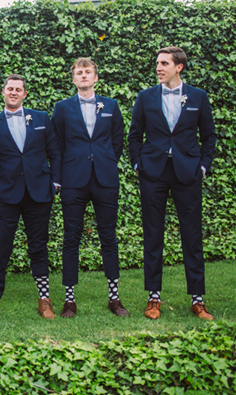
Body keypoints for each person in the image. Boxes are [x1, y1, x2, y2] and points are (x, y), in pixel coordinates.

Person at [128, 47, 217, 320]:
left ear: (179, 67)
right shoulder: (145, 97)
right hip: (153, 173)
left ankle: (198, 300)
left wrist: (202, 167)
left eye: (164, 63)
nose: (158, 67)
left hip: (187, 173)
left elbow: (209, 136)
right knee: (153, 236)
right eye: (157, 62)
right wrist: (137, 165)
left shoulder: (198, 97)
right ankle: (153, 298)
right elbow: (134, 135)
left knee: (192, 237)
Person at [51, 58, 129, 318]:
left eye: (88, 72)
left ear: (96, 77)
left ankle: (114, 298)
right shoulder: (61, 108)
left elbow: (117, 140)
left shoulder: (111, 105)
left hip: (105, 179)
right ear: (73, 79)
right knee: (71, 238)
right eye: (79, 72)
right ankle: (69, 300)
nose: (83, 75)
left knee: (109, 237)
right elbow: (58, 144)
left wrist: (105, 160)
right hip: (73, 180)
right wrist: (63, 175)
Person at [0, 74, 61, 321]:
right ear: (3, 92)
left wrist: (55, 183)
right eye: (10, 89)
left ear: (25, 94)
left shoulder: (41, 119)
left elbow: (55, 152)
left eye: (19, 89)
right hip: (5, 195)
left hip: (38, 193)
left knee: (38, 248)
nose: (14, 92)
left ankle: (44, 300)